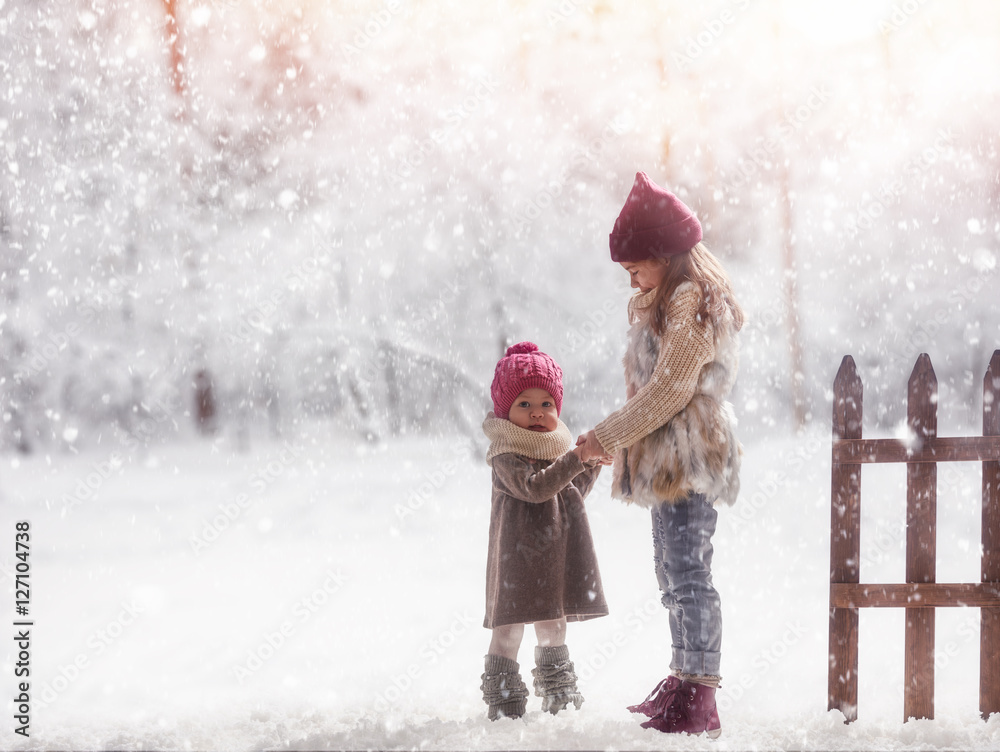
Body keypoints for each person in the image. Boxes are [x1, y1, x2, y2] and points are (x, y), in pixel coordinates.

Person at [576, 172, 744, 738]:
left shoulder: (692, 300)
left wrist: (610, 435)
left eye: (637, 267)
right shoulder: (666, 301)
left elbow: (670, 389)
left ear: (666, 255)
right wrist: (613, 444)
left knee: (689, 572)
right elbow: (649, 391)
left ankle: (701, 690)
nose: (633, 280)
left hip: (688, 456)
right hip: (664, 459)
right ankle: (683, 675)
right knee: (670, 572)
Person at [480, 342, 611, 721]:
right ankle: (503, 703)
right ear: (506, 411)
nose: (537, 412)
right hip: (516, 562)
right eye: (524, 404)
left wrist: (593, 462)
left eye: (546, 404)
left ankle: (560, 697)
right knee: (509, 632)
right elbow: (536, 489)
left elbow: (569, 495)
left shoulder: (555, 450)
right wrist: (576, 458)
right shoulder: (506, 454)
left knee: (553, 627)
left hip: (552, 560)